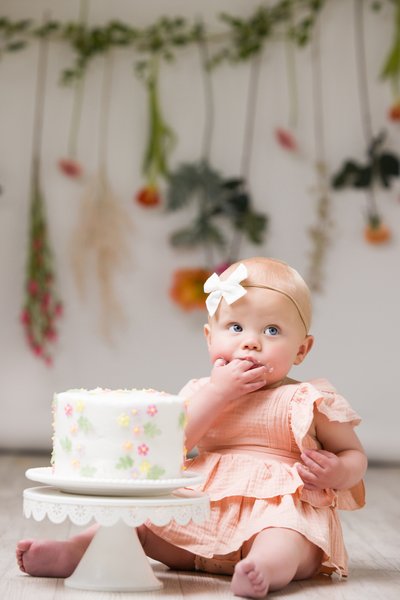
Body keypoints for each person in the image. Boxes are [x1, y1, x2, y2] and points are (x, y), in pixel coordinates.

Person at [16, 257, 367, 598]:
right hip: (199, 512)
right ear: (209, 337)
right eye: (235, 327)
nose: (251, 342)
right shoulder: (203, 391)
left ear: (302, 349)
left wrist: (337, 472)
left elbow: (353, 454)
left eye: (271, 331)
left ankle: (262, 568)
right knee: (135, 521)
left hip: (274, 511)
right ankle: (77, 550)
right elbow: (173, 446)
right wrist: (219, 393)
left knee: (288, 537)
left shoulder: (307, 399)